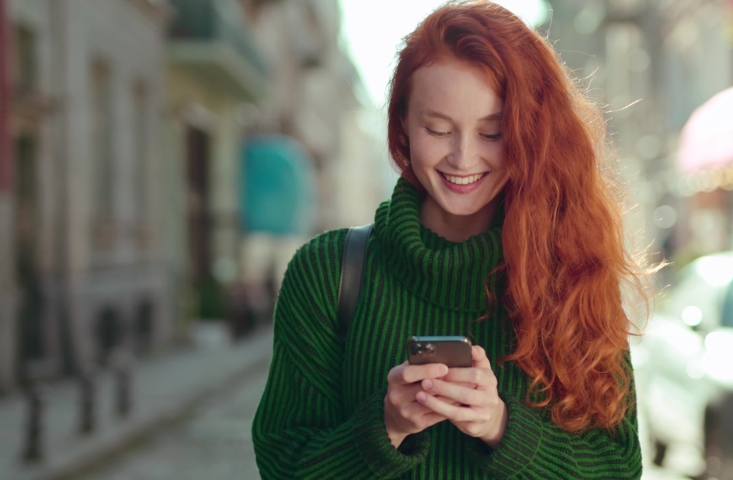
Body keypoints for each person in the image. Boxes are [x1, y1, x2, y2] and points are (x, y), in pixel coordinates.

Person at [252, 1, 653, 478]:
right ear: (401, 123)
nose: (463, 158)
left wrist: (503, 427)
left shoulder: (575, 269)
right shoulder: (326, 273)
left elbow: (619, 468)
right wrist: (386, 426)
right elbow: (284, 466)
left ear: (530, 133)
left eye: (493, 132)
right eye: (437, 129)